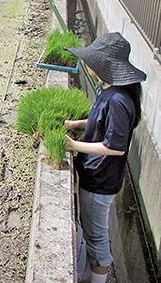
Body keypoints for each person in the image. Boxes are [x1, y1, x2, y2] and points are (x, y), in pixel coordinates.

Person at [64, 32, 146, 283]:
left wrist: (74, 144)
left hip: (101, 180)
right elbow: (102, 121)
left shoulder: (119, 100)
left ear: (105, 65)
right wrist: (76, 123)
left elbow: (115, 146)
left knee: (97, 238)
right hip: (96, 175)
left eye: (93, 61)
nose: (89, 65)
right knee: (91, 229)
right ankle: (91, 274)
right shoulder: (110, 90)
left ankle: (98, 277)